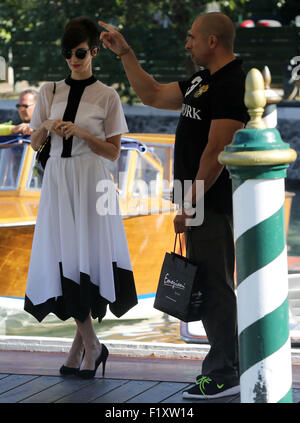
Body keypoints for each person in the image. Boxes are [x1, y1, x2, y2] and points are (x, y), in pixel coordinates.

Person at [99, 12, 249, 399]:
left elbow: (217, 152)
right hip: (194, 198)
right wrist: (125, 53)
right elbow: (151, 94)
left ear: (212, 42)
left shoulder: (233, 83)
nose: (187, 43)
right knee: (211, 280)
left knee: (216, 284)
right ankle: (225, 366)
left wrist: (190, 203)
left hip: (211, 201)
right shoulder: (202, 81)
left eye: (192, 37)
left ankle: (224, 374)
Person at [24, 16, 137, 379]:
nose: (73, 59)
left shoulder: (107, 95)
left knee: (86, 258)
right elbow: (35, 144)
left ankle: (86, 349)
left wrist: (83, 135)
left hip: (92, 181)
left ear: (93, 52)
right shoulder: (48, 91)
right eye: (67, 53)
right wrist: (45, 126)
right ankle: (90, 347)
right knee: (65, 259)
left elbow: (114, 152)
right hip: (58, 180)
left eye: (80, 52)